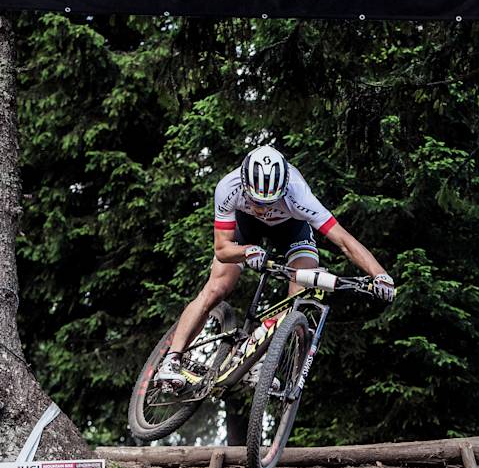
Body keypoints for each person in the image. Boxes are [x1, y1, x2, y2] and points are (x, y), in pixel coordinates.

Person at [158, 145, 395, 389]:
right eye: (257, 200)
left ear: (283, 188)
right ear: (244, 184)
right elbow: (221, 249)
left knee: (301, 294)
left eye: (271, 201)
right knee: (217, 287)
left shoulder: (299, 194)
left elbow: (344, 240)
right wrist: (245, 251)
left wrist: (380, 275)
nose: (263, 208)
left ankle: (258, 354)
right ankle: (171, 359)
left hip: (291, 230)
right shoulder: (228, 187)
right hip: (245, 227)